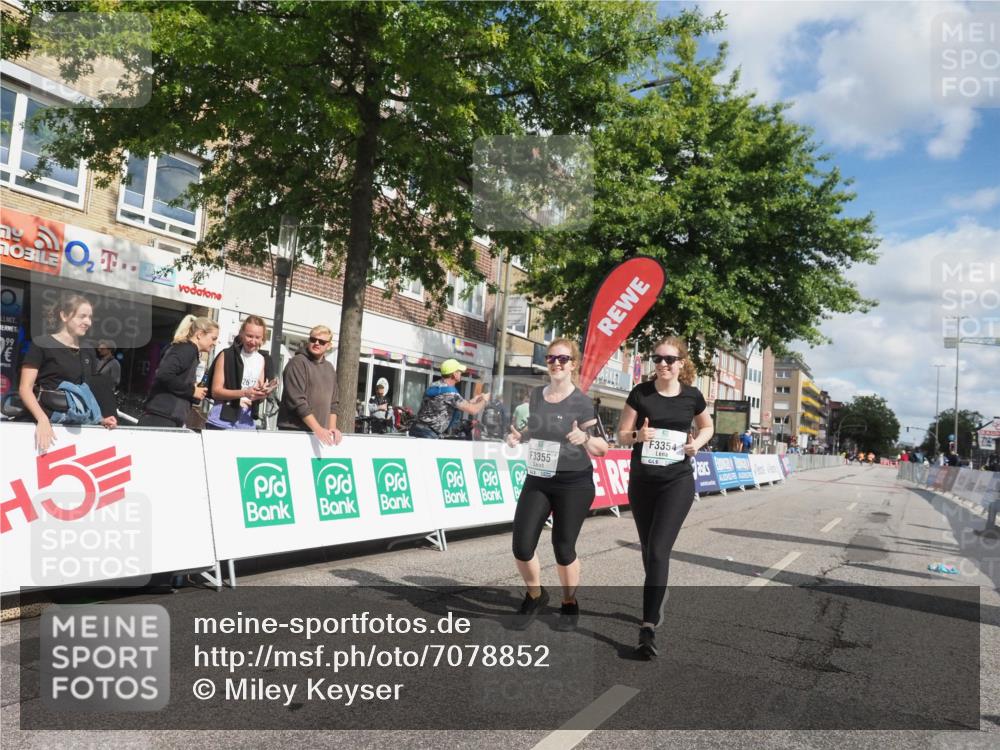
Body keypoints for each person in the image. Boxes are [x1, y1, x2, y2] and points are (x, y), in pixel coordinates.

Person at [616, 336, 714, 659]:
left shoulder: (692, 397)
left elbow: (707, 427)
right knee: (648, 551)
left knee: (659, 550)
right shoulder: (640, 393)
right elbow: (621, 434)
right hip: (643, 482)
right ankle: (658, 593)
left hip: (677, 481)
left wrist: (696, 445)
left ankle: (647, 628)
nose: (662, 364)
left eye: (670, 359)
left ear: (681, 364)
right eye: (657, 358)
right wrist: (637, 436)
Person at [506, 338, 608, 631]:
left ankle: (568, 602)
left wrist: (585, 439)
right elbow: (536, 428)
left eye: (563, 359)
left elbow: (604, 448)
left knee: (563, 548)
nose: (556, 364)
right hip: (538, 477)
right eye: (552, 358)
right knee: (522, 545)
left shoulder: (582, 401)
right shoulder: (537, 395)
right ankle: (535, 595)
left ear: (573, 365)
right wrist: (519, 437)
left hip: (573, 483)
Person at [16, 294, 118, 452]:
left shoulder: (88, 351)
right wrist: (42, 419)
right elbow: (25, 388)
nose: (88, 322)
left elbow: (83, 394)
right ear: (64, 316)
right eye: (82, 316)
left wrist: (100, 419)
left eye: (90, 317)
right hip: (42, 427)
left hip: (73, 429)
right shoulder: (42, 344)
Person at [138, 315, 218, 428]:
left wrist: (193, 390)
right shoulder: (186, 349)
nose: (215, 343)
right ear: (200, 334)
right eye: (213, 338)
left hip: (167, 416)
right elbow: (164, 375)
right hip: (162, 417)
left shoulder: (188, 350)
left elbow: (171, 378)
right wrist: (191, 391)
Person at [205, 315, 276, 430]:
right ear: (241, 333)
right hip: (222, 420)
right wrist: (244, 393)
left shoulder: (262, 359)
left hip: (246, 422)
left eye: (257, 337)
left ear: (263, 338)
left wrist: (263, 393)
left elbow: (256, 396)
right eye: (249, 336)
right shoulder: (226, 355)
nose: (253, 341)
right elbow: (216, 392)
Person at [276, 325, 342, 445]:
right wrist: (317, 429)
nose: (316, 343)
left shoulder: (329, 368)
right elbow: (298, 402)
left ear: (328, 345)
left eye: (322, 342)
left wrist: (332, 427)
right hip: (295, 431)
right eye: (313, 339)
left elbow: (334, 403)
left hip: (321, 434)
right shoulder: (297, 363)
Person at [408, 359, 489, 438]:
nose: (461, 373)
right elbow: (473, 410)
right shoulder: (450, 392)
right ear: (454, 374)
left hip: (416, 428)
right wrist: (484, 399)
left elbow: (450, 403)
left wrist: (473, 400)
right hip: (428, 433)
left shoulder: (435, 385)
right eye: (459, 371)